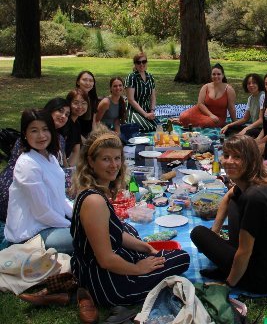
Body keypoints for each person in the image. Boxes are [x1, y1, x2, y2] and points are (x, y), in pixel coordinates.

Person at [70, 125, 190, 306]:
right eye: (106, 159)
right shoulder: (94, 202)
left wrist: (147, 248)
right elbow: (105, 260)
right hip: (108, 285)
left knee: (129, 230)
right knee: (181, 258)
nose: (114, 165)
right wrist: (137, 268)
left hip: (95, 268)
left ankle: (137, 259)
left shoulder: (94, 192)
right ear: (91, 161)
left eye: (117, 158)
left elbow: (116, 233)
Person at [191, 135, 267, 294]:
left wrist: (228, 285)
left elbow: (244, 252)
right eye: (226, 156)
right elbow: (228, 196)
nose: (229, 161)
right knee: (233, 200)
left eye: (237, 157)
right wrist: (215, 232)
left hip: (262, 280)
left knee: (198, 233)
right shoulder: (252, 183)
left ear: (251, 161)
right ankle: (229, 268)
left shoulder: (254, 196)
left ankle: (232, 275)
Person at [4, 109, 73, 254]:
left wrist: (79, 215)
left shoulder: (50, 157)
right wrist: (72, 225)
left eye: (45, 129)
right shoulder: (27, 164)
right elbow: (42, 213)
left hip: (51, 225)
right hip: (30, 235)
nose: (41, 136)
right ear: (25, 134)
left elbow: (61, 198)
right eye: (34, 131)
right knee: (90, 238)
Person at [0, 98, 70, 222]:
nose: (63, 116)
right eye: (60, 111)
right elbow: (42, 212)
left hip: (42, 206)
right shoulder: (28, 161)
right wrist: (70, 225)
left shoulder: (52, 151)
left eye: (67, 114)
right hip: (20, 209)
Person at [179, 63, 237, 128]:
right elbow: (200, 104)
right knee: (183, 116)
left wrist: (235, 122)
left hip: (218, 117)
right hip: (203, 112)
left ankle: (185, 123)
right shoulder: (206, 87)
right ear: (211, 76)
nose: (216, 76)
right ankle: (183, 121)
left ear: (223, 75)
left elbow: (231, 107)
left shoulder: (229, 89)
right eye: (214, 74)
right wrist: (211, 115)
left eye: (218, 74)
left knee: (207, 123)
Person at [221, 73, 264, 137]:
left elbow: (261, 120)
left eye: (254, 83)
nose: (251, 85)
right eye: (249, 83)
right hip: (253, 127)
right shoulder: (250, 98)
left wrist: (246, 128)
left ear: (259, 84)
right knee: (228, 129)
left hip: (262, 129)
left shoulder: (262, 96)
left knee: (246, 133)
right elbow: (245, 119)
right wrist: (229, 125)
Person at [124, 52, 157, 132]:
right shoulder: (131, 77)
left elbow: (153, 97)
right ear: (135, 64)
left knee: (157, 126)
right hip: (133, 110)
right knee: (148, 127)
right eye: (138, 62)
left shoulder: (150, 76)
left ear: (147, 62)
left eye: (144, 61)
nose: (141, 64)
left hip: (147, 109)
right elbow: (131, 100)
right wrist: (145, 114)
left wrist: (152, 111)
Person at [65, 88, 89, 167]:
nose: (80, 106)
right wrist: (66, 169)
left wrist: (70, 168)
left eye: (84, 103)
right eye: (76, 103)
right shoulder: (64, 123)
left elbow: (76, 150)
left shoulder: (77, 124)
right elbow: (60, 151)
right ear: (69, 104)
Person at [76, 70, 98, 138]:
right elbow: (72, 124)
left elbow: (93, 122)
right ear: (78, 82)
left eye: (91, 81)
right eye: (84, 80)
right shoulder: (74, 99)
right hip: (76, 135)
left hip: (89, 133)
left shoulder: (93, 98)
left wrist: (94, 136)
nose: (88, 83)